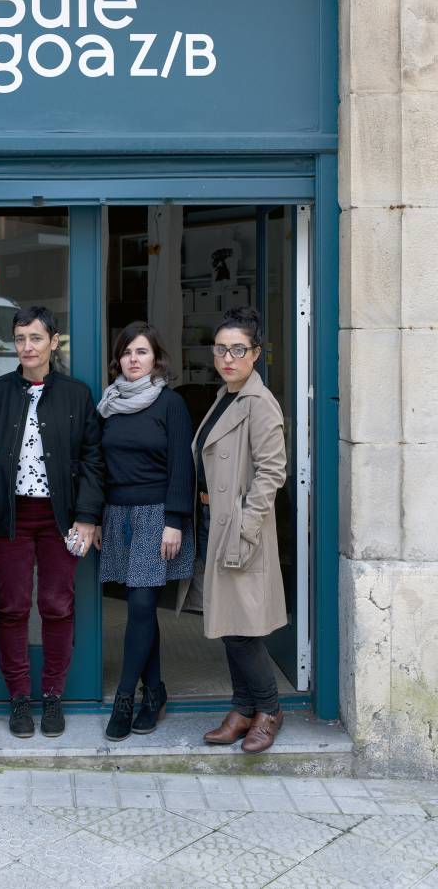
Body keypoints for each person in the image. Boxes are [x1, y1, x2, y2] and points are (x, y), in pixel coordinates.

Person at [0, 305, 103, 738]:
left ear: (53, 342)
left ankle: (52, 696)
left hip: (61, 517)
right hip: (10, 517)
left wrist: (87, 516)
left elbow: (93, 459)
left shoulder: (76, 395)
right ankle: (19, 698)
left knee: (57, 606)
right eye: (21, 339)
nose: (27, 347)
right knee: (11, 608)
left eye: (36, 338)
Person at [178, 306, 287, 754]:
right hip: (213, 521)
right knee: (227, 621)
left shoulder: (259, 403)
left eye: (238, 349)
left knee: (243, 630)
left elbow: (272, 472)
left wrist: (245, 525)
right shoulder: (227, 395)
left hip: (242, 527)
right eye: (221, 349)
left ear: (255, 353)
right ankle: (243, 709)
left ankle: (269, 709)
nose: (228, 357)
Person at [97, 321, 195, 741]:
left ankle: (125, 697)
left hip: (157, 515)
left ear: (156, 359)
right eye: (126, 352)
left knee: (139, 606)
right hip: (117, 515)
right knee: (141, 608)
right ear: (117, 359)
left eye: (141, 352)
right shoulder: (108, 404)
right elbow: (98, 465)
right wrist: (95, 514)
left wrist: (174, 521)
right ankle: (154, 692)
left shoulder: (170, 403)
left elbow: (182, 465)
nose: (133, 360)